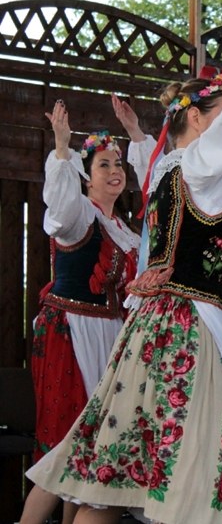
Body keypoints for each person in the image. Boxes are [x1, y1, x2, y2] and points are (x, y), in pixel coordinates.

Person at [23, 0, 222, 523]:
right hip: (187, 334)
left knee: (114, 476)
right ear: (196, 119)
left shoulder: (167, 171)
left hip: (149, 332)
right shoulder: (198, 164)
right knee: (189, 475)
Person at [19, 106, 140, 524]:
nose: (114, 171)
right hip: (71, 331)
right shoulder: (78, 214)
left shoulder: (123, 228)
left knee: (90, 448)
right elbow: (59, 208)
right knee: (66, 444)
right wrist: (61, 148)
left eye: (118, 164)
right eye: (103, 164)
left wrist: (135, 133)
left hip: (109, 337)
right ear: (86, 176)